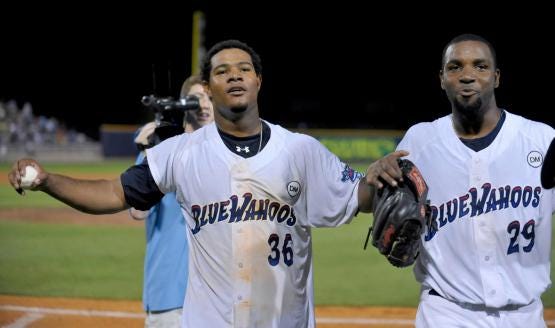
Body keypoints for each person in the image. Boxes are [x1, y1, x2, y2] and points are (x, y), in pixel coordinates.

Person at [8, 39, 395, 327]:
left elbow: (356, 195)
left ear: (259, 80)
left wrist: (377, 181)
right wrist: (47, 181)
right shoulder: (180, 153)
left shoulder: (301, 151)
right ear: (208, 89)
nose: (234, 75)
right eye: (222, 71)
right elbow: (113, 192)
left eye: (243, 68)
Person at [367, 34, 555, 327]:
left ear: (496, 77)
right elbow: (371, 197)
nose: (467, 75)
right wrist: (375, 176)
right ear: (442, 78)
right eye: (455, 67)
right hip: (446, 313)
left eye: (480, 66)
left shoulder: (542, 140)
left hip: (525, 315)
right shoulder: (419, 142)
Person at [129, 74, 214, 327]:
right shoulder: (160, 156)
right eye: (197, 98)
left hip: (215, 302)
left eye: (211, 98)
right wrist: (147, 151)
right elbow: (137, 212)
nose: (205, 105)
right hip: (171, 299)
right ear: (183, 103)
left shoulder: (223, 159)